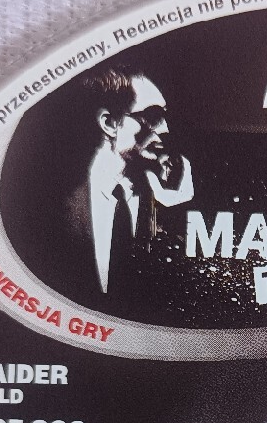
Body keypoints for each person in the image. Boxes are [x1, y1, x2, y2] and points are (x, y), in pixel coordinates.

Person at [73, 66, 194, 302]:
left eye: (164, 117)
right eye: (152, 117)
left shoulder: (159, 195)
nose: (165, 129)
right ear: (110, 123)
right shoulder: (52, 203)